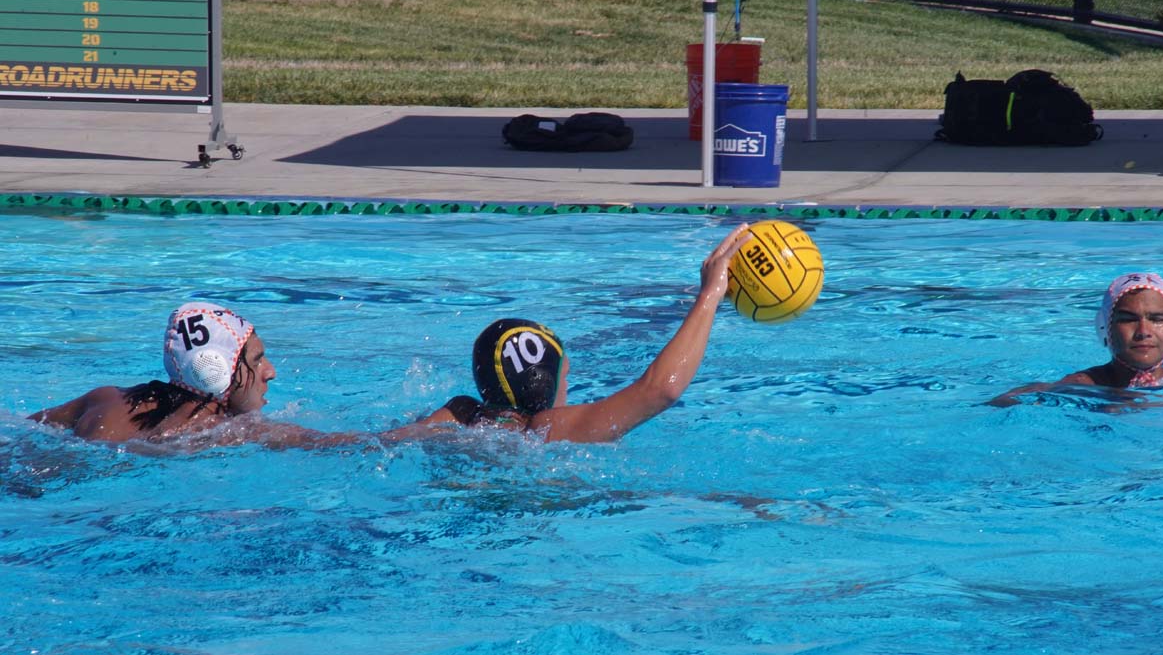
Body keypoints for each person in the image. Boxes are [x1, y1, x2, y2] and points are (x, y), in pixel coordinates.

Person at [412, 223, 752, 442]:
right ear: (546, 382)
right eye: (565, 375)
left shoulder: (460, 416)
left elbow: (375, 441)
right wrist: (709, 296)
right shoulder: (546, 430)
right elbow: (659, 391)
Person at [27, 301, 430, 448]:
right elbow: (358, 444)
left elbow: (20, 431)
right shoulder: (228, 433)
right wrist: (444, 423)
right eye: (256, 360)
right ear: (215, 371)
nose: (270, 372)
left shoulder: (105, 399)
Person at [988, 272, 1163, 406]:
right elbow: (1006, 402)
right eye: (1128, 319)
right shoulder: (1081, 386)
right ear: (1104, 327)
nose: (1144, 331)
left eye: (1157, 319)